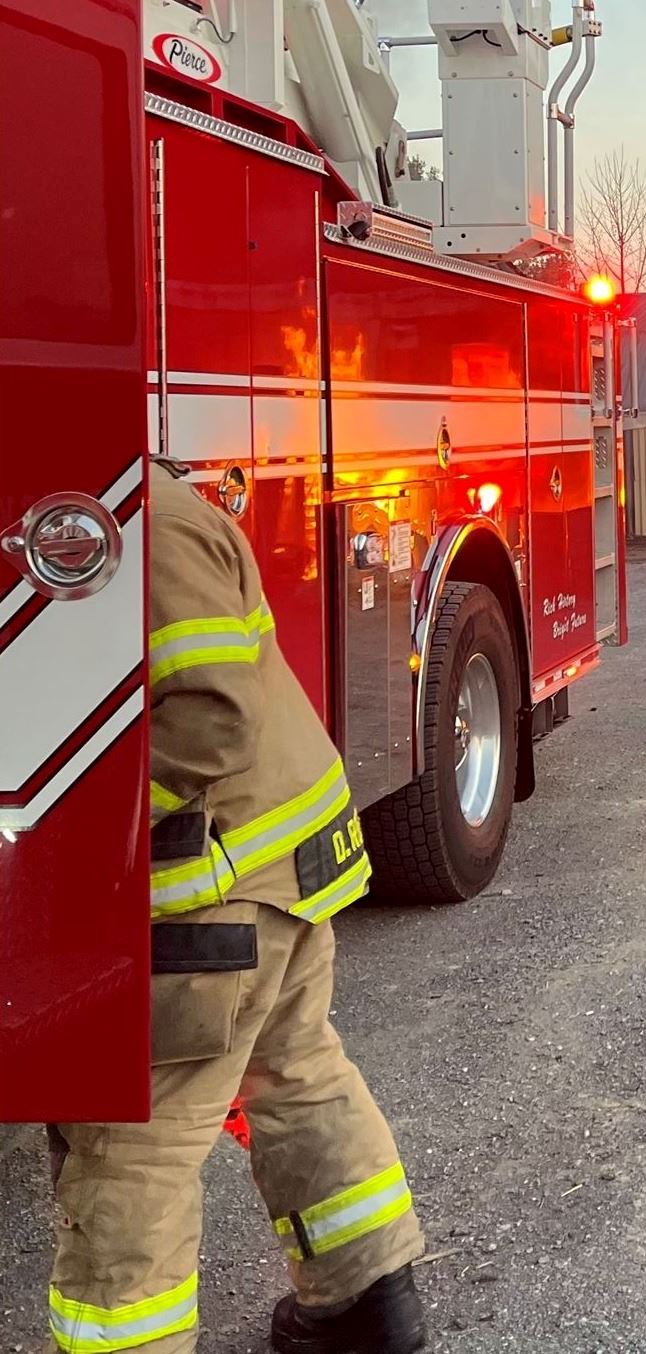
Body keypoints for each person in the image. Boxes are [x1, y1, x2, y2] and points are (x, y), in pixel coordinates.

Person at [45, 461, 427, 1354]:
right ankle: (366, 1313)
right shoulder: (136, 501)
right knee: (298, 1077)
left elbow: (209, 714)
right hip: (279, 868)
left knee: (133, 1138)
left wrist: (76, 838)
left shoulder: (131, 524)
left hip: (211, 893)